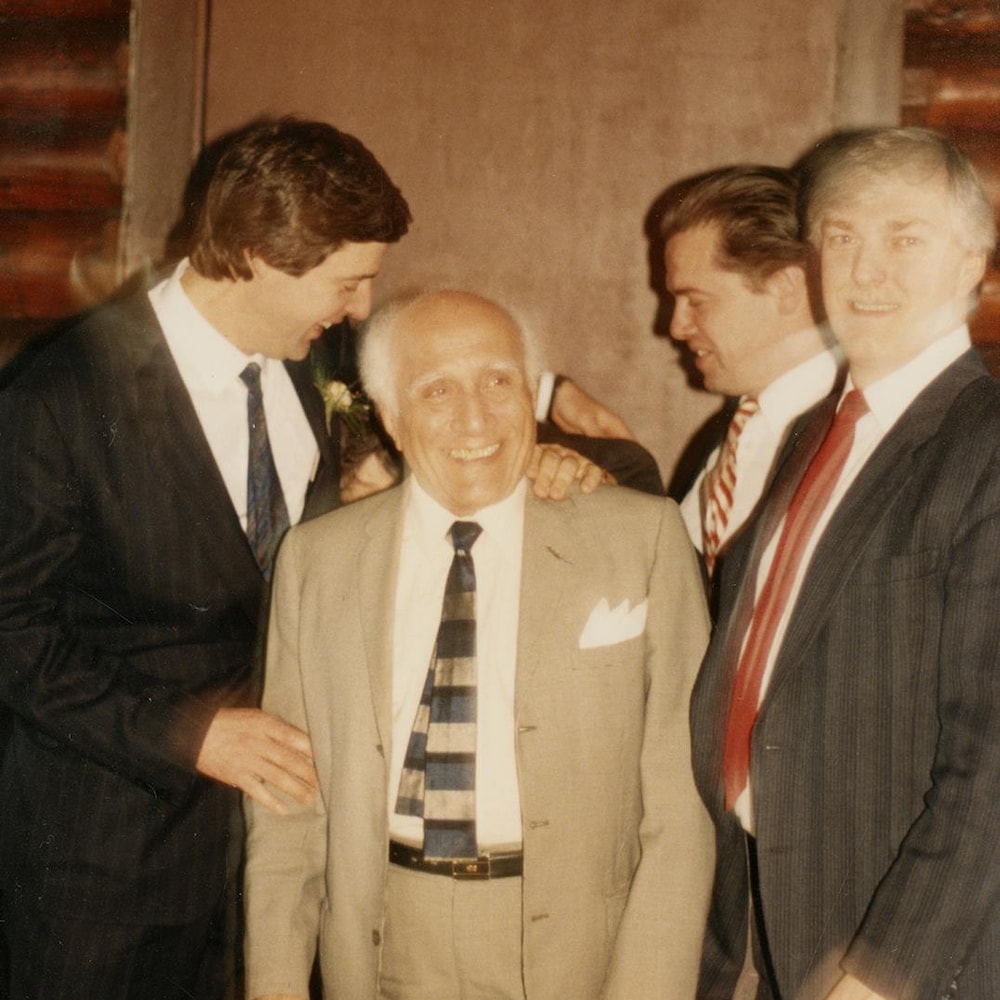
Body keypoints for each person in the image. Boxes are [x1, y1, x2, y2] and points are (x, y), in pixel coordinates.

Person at [0, 115, 411, 999]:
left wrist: (551, 408)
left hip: (266, 865)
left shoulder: (319, 352)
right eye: (350, 282)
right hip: (100, 873)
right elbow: (11, 635)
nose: (361, 308)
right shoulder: (63, 396)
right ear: (261, 255)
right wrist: (192, 732)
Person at [243, 290, 714, 999]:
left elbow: (681, 815)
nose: (475, 418)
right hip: (383, 942)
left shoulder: (639, 539)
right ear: (393, 419)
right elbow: (288, 813)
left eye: (498, 381)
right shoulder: (317, 561)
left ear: (530, 394)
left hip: (577, 953)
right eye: (437, 390)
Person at [690, 126, 1000, 1000]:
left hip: (889, 952)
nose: (868, 271)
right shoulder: (809, 438)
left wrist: (886, 974)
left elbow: (994, 757)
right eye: (843, 238)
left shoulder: (985, 444)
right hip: (760, 920)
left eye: (906, 238)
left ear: (971, 259)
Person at [661, 166, 841, 580]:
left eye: (697, 301)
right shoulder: (721, 435)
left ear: (785, 289)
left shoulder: (857, 433)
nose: (676, 327)